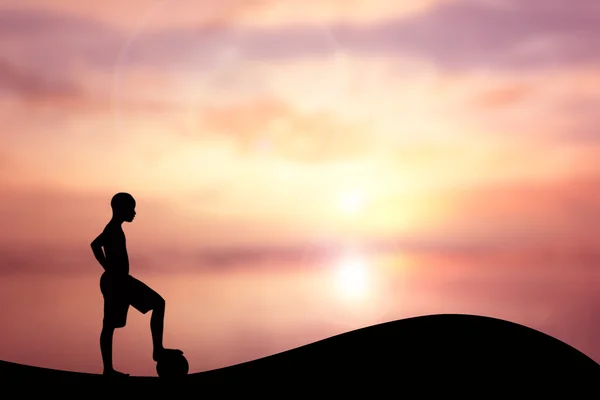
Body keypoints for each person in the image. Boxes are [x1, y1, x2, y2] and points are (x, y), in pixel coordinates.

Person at [90, 192, 182, 377]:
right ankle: (108, 369)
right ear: (119, 209)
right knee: (109, 325)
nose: (134, 212)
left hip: (120, 281)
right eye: (131, 208)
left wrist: (108, 267)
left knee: (157, 304)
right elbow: (94, 245)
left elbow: (94, 244)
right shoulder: (112, 229)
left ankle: (157, 350)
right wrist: (108, 267)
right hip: (116, 283)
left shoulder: (114, 228)